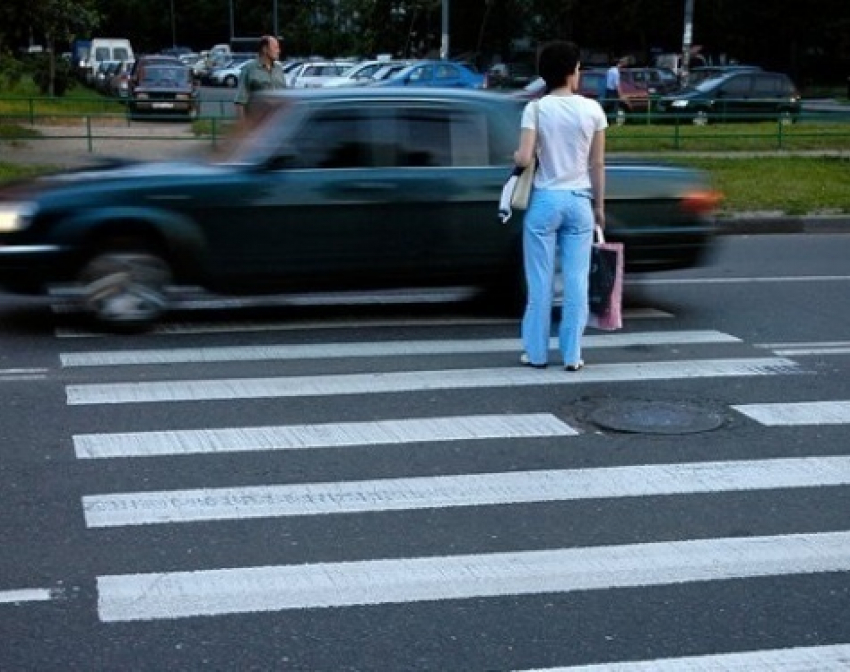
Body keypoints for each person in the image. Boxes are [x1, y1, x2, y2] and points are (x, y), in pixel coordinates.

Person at [513, 40, 607, 371]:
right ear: (571, 72)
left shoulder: (536, 109)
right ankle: (572, 355)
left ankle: (536, 354)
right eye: (579, 68)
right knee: (576, 280)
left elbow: (525, 157)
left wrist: (518, 157)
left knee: (539, 282)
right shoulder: (593, 111)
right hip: (580, 201)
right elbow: (597, 164)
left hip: (544, 203)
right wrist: (600, 206)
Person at [234, 35, 286, 118]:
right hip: (258, 123)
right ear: (265, 49)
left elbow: (284, 95)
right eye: (276, 48)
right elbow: (240, 102)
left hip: (277, 123)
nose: (279, 51)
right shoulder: (249, 69)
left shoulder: (279, 69)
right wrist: (244, 126)